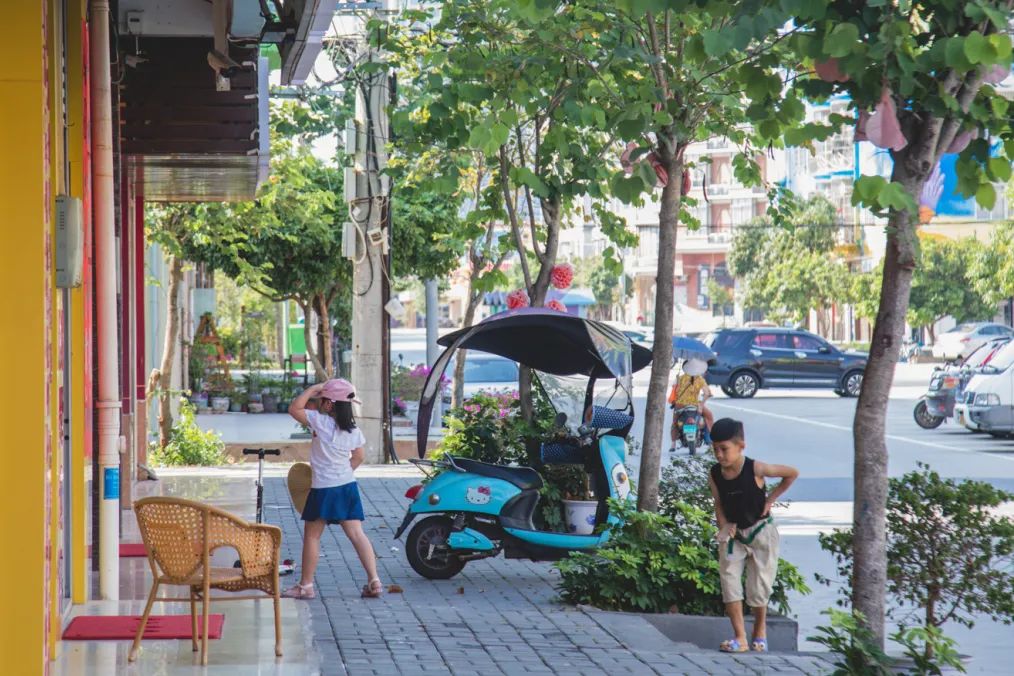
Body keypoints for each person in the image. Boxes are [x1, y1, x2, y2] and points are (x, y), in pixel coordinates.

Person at [283, 378, 384, 599]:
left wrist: (312, 389)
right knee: (357, 534)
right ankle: (374, 580)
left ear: (328, 404)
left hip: (323, 488)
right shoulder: (354, 430)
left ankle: (306, 586)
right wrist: (343, 473)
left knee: (312, 536)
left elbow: (294, 408)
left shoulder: (319, 422)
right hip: (347, 486)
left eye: (322, 400)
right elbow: (359, 456)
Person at [707, 418, 798, 653]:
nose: (719, 454)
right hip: (734, 535)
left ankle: (760, 631)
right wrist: (723, 525)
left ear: (741, 446)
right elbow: (718, 502)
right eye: (715, 448)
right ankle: (740, 637)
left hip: (760, 532)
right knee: (729, 582)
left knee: (759, 588)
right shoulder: (715, 474)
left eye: (724, 449)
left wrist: (770, 499)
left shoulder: (756, 468)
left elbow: (791, 473)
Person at [668, 358, 714, 452]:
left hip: (680, 405)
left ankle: (673, 444)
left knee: (675, 423)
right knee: (709, 416)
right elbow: (707, 393)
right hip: (695, 405)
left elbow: (674, 392)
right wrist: (701, 404)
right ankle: (710, 441)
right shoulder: (700, 379)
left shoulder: (679, 378)